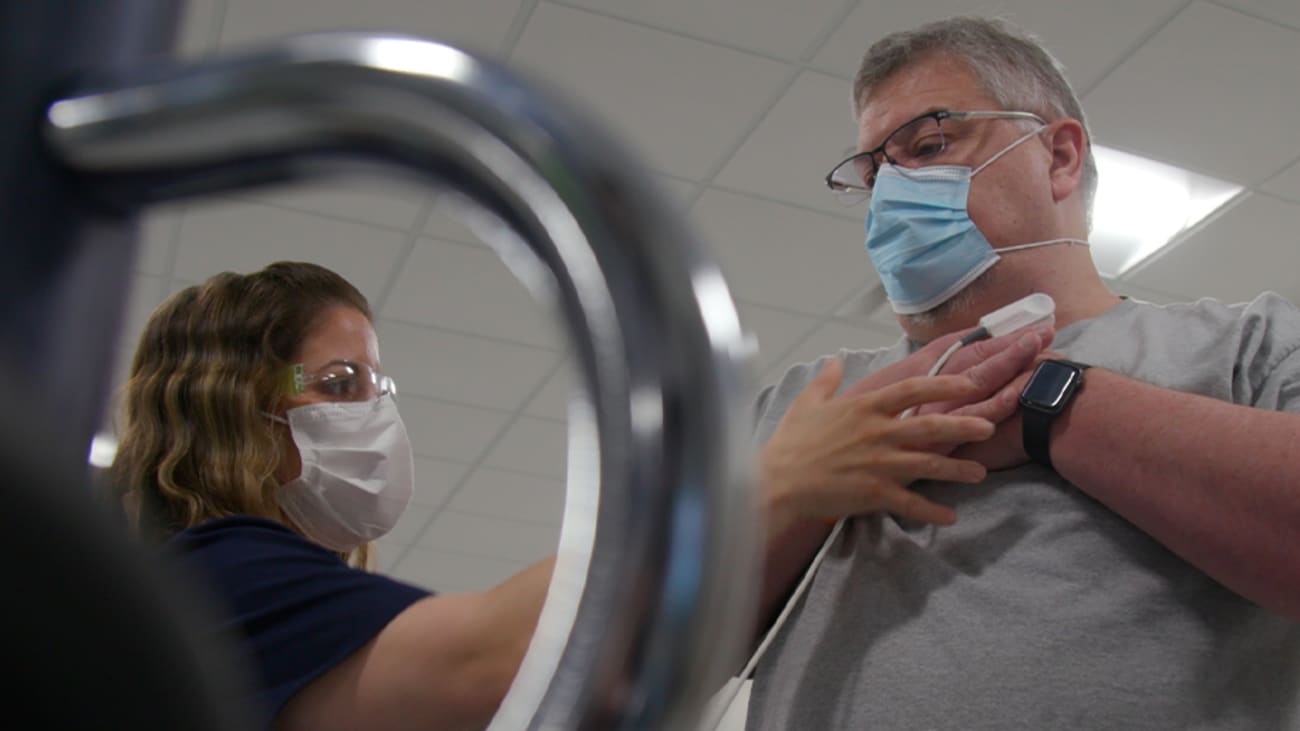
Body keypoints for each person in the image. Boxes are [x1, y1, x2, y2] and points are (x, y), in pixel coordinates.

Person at [108, 260, 1047, 730]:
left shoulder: (281, 598)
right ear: (235, 405)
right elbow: (498, 660)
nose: (378, 417)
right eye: (343, 383)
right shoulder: (217, 580)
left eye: (377, 388)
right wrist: (775, 479)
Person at [745, 15, 1300, 731]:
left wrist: (1053, 402)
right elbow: (627, 655)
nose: (889, 192)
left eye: (929, 144)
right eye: (874, 171)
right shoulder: (805, 403)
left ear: (1060, 156)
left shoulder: (1245, 347)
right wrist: (794, 491)